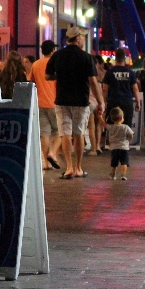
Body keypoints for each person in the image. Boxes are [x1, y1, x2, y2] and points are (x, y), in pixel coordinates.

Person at [45, 26, 104, 179]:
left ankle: (69, 168)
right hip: (80, 100)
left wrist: (61, 77)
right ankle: (78, 168)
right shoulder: (86, 57)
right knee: (78, 134)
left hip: (62, 100)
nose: (83, 39)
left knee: (65, 133)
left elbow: (48, 76)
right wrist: (100, 101)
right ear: (78, 38)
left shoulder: (57, 55)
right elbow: (92, 81)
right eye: (83, 37)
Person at [29, 40, 62, 170]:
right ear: (53, 50)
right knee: (61, 132)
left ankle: (46, 163)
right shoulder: (56, 64)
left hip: (40, 102)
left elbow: (31, 82)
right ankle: (52, 153)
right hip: (55, 102)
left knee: (45, 133)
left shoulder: (35, 64)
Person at [102, 49, 139, 130]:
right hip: (127, 101)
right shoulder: (130, 72)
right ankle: (125, 142)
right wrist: (138, 102)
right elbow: (135, 88)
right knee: (127, 126)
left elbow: (105, 89)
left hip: (113, 101)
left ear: (115, 58)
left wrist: (104, 101)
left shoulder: (110, 72)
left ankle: (112, 142)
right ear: (124, 58)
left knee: (112, 125)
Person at [106, 107, 134, 181]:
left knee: (114, 163)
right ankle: (123, 175)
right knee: (124, 162)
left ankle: (113, 175)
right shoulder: (126, 127)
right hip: (124, 148)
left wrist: (100, 117)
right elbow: (131, 135)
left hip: (114, 148)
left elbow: (103, 124)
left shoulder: (111, 127)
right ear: (122, 118)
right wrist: (128, 140)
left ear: (112, 119)